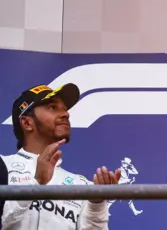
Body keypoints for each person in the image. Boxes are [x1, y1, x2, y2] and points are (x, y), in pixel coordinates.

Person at [1, 83, 122, 229]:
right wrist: (36, 183)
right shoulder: (3, 166)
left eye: (65, 109)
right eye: (52, 107)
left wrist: (96, 204)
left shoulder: (81, 185)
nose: (66, 114)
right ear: (27, 122)